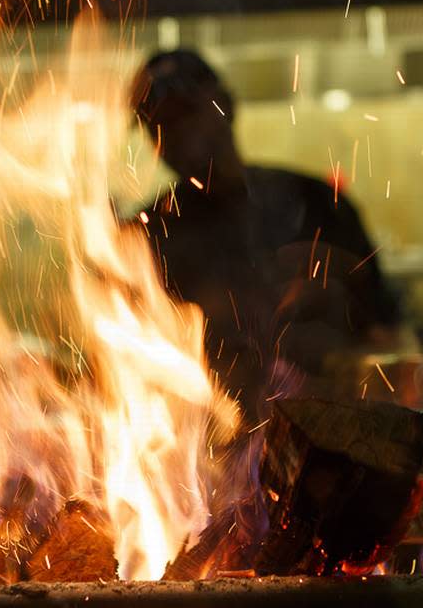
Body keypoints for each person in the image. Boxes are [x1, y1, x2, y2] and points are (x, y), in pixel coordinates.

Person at [128, 50, 399, 412]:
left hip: (330, 435)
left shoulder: (318, 203)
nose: (173, 134)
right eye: (157, 123)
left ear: (225, 105)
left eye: (185, 113)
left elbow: (385, 334)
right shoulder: (145, 236)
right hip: (209, 446)